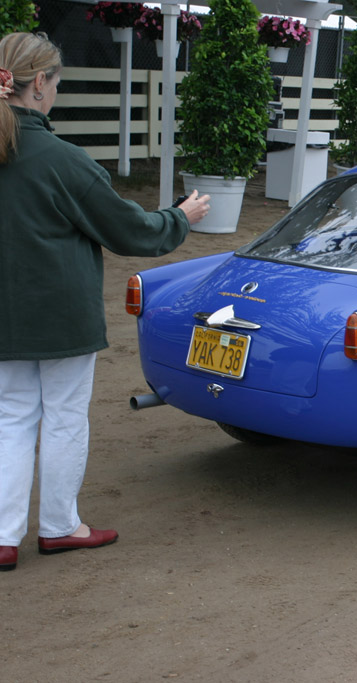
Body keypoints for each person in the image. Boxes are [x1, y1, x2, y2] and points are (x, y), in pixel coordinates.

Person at [0, 33, 211, 572]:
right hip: (60, 314)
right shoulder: (59, 159)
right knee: (65, 416)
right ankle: (60, 527)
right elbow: (128, 231)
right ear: (40, 83)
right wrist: (180, 217)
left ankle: (3, 536)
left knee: (10, 418)